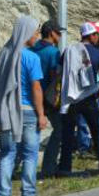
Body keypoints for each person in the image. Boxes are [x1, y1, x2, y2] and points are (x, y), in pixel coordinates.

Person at [0, 16, 45, 196]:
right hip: (28, 112)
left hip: (7, 112)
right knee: (30, 155)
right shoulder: (32, 57)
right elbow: (36, 88)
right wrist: (41, 114)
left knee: (7, 154)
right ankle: (28, 195)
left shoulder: (4, 55)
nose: (37, 36)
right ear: (26, 33)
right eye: (35, 32)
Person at [59, 23, 99, 177]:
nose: (97, 38)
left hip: (70, 98)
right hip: (89, 98)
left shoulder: (69, 51)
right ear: (91, 36)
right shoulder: (98, 54)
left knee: (67, 134)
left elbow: (59, 72)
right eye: (95, 35)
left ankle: (64, 168)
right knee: (96, 132)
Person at [31, 20, 62, 178]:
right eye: (59, 33)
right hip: (47, 98)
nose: (61, 36)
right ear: (52, 33)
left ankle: (11, 169)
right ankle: (49, 168)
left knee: (29, 135)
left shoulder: (32, 49)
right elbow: (54, 77)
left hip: (31, 96)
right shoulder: (53, 52)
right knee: (59, 130)